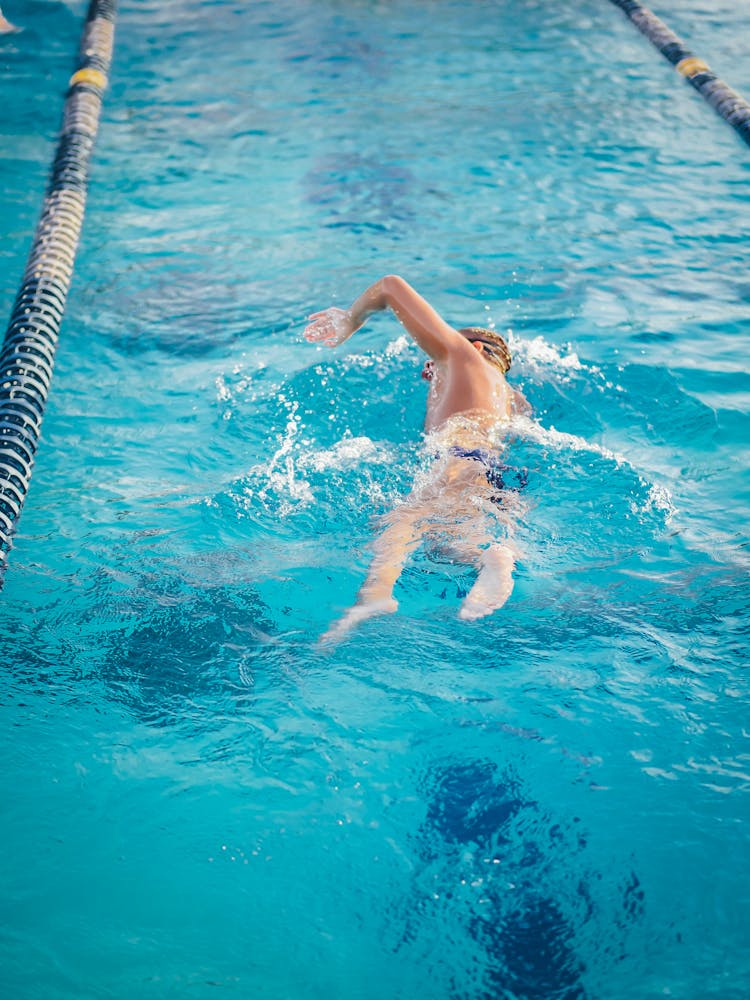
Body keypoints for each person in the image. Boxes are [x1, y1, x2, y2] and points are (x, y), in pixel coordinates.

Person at [304, 275, 529, 643]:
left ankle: (375, 594)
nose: (429, 371)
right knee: (446, 545)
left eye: (431, 359)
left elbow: (390, 286)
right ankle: (489, 556)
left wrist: (351, 317)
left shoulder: (459, 356)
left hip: (460, 456)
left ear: (471, 346)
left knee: (402, 519)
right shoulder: (511, 397)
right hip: (494, 472)